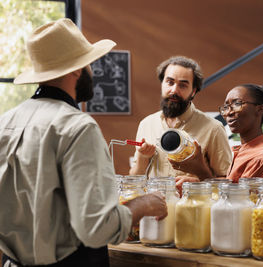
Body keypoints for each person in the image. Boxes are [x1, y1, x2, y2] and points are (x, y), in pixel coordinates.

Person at [0, 18, 167, 267]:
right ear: (76, 69)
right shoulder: (77, 127)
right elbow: (97, 228)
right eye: (88, 63)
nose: (92, 70)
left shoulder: (5, 122)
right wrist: (144, 204)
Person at [129, 56, 232, 189]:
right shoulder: (146, 124)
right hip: (153, 206)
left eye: (183, 85)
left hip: (193, 207)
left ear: (193, 91)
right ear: (162, 84)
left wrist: (199, 183)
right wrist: (143, 157)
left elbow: (226, 181)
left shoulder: (214, 128)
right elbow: (135, 179)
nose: (174, 90)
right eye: (170, 82)